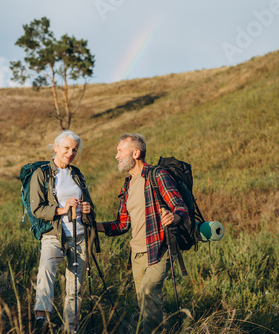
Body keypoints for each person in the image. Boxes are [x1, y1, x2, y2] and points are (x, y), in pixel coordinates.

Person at [97, 133, 188, 333]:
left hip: (159, 249)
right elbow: (122, 224)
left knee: (148, 294)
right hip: (136, 254)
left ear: (135, 153)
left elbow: (179, 206)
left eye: (120, 151)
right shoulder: (127, 184)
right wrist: (94, 226)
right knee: (147, 303)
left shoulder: (157, 175)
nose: (116, 156)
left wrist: (174, 217)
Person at [30, 130, 97, 334]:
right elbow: (37, 209)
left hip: (79, 236)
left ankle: (71, 328)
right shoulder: (41, 174)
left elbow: (91, 206)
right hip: (54, 235)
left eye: (74, 149)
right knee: (46, 272)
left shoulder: (77, 174)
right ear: (56, 147)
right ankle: (41, 319)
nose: (70, 153)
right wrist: (62, 209)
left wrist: (87, 209)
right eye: (66, 148)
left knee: (75, 286)